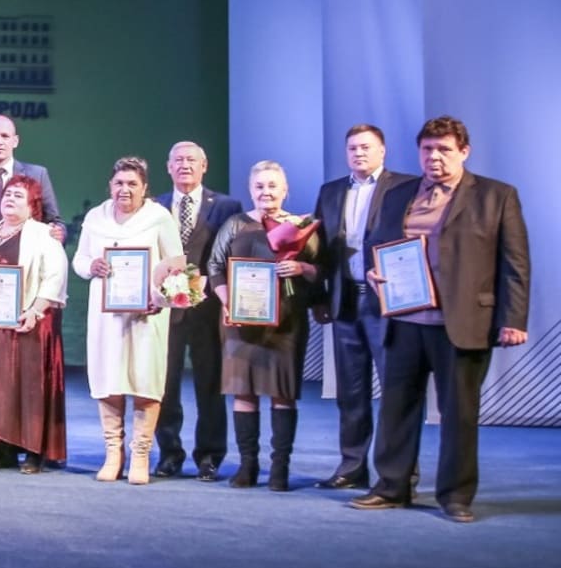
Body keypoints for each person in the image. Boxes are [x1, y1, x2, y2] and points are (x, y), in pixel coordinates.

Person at [350, 116, 530, 523]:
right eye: (427, 149)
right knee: (396, 409)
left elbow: (515, 263)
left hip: (463, 323)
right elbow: (376, 243)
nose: (435, 157)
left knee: (459, 414)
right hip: (404, 321)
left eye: (444, 149)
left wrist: (513, 318)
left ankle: (456, 496)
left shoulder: (496, 195)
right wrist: (375, 273)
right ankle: (391, 487)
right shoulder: (398, 194)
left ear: (464, 152)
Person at [312, 124, 415, 490]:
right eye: (353, 147)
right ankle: (352, 466)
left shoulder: (405, 187)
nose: (359, 153)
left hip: (387, 304)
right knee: (351, 392)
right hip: (345, 302)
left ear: (382, 151)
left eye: (366, 147)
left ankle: (399, 472)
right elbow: (318, 249)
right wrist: (319, 297)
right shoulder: (330, 191)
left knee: (396, 391)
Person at [208, 160, 321, 491]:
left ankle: (279, 469)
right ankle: (248, 466)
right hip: (239, 322)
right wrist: (227, 302)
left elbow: (321, 271)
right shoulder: (235, 224)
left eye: (273, 186)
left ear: (285, 190)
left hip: (285, 324)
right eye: (259, 186)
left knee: (281, 393)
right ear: (250, 189)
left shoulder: (302, 227)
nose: (266, 192)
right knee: (243, 391)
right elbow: (215, 266)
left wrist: (301, 269)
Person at [72, 157, 183, 485]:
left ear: (144, 188)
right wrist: (91, 266)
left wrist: (159, 299)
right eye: (119, 183)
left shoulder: (159, 217)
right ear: (110, 186)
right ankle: (113, 454)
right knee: (109, 379)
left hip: (146, 316)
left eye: (132, 184)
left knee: (144, 380)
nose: (125, 189)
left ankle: (141, 454)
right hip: (106, 317)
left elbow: (177, 265)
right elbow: (79, 259)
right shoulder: (96, 216)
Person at [0, 174, 68, 474]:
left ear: (33, 204)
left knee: (29, 386)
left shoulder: (43, 234)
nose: (9, 198)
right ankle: (0, 447)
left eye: (18, 195)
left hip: (30, 322)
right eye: (7, 193)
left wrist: (36, 309)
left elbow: (55, 275)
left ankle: (35, 451)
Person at [153, 141, 242, 481]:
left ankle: (210, 456)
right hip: (166, 311)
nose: (184, 165)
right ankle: (169, 454)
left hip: (209, 309)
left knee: (210, 383)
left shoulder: (227, 206)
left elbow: (232, 255)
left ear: (204, 166)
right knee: (165, 384)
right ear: (168, 167)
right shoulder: (155, 206)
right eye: (178, 160)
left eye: (191, 159)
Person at [0, 114, 65, 240]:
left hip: (26, 250)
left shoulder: (38, 174)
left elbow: (55, 222)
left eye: (5, 136)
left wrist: (59, 233)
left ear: (15, 141)